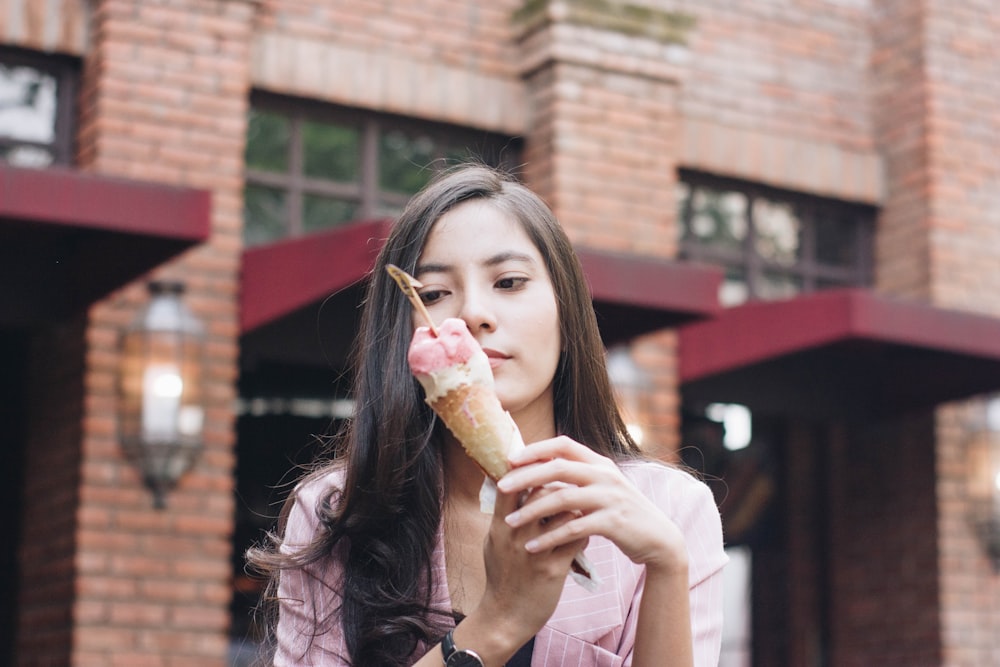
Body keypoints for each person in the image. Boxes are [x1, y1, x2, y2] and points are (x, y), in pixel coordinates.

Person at [247, 164, 728, 666]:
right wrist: (498, 623)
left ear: (567, 310)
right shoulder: (338, 511)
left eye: (510, 281)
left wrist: (667, 564)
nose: (473, 312)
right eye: (433, 294)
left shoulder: (670, 511)